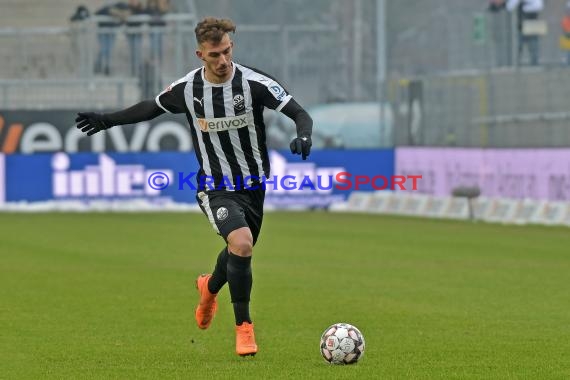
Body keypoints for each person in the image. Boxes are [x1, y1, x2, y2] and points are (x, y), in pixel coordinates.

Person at [75, 17, 313, 357]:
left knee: (238, 251)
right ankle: (244, 329)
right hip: (214, 186)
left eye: (227, 51)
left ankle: (209, 287)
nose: (223, 61)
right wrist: (106, 119)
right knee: (242, 244)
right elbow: (150, 108)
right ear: (200, 54)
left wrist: (303, 133)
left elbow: (300, 113)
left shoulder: (254, 83)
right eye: (215, 54)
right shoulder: (187, 89)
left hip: (254, 185)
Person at [94, 2, 130, 75]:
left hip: (111, 31)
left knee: (109, 50)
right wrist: (110, 11)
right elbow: (97, 14)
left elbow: (123, 19)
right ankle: (98, 65)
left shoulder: (122, 6)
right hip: (103, 31)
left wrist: (119, 20)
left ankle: (107, 67)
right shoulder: (106, 8)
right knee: (104, 49)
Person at [506, 0, 545, 66]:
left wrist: (525, 6)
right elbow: (509, 7)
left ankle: (534, 64)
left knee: (533, 46)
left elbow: (539, 6)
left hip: (532, 26)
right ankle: (516, 64)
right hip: (520, 26)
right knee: (518, 46)